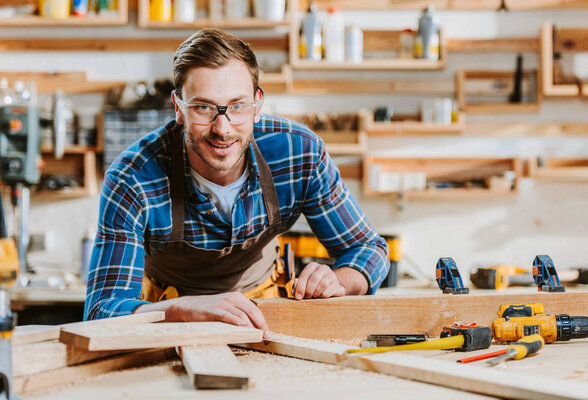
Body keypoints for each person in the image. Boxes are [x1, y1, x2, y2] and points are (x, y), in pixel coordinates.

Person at [84, 28, 389, 337]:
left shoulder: (298, 153)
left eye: (237, 106)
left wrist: (338, 280)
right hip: (166, 319)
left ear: (257, 105)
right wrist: (181, 311)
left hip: (266, 313)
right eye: (203, 107)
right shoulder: (132, 178)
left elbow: (370, 248)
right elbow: (102, 308)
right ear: (178, 108)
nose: (223, 128)